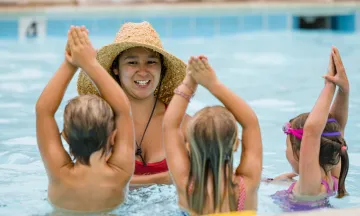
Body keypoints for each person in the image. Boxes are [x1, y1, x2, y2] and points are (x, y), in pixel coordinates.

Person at [35, 25, 135, 212]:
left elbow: (43, 111)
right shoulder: (120, 173)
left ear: (64, 137)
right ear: (113, 136)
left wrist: (70, 64)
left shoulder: (60, 174)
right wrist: (90, 63)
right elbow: (123, 110)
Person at [77, 21, 188, 186]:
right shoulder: (99, 123)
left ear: (161, 69)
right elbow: (87, 181)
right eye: (132, 62)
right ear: (116, 68)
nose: (143, 71)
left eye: (151, 62)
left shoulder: (184, 125)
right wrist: (163, 179)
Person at [163, 55, 263, 215]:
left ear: (188, 146)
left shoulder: (186, 186)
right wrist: (213, 84)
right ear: (236, 144)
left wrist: (189, 83)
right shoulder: (247, 186)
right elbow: (251, 123)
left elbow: (170, 126)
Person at [270, 46, 350, 212]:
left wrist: (330, 85)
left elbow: (312, 132)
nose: (286, 151)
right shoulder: (332, 178)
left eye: (288, 146)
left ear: (302, 151)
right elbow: (336, 126)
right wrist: (343, 90)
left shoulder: (310, 187)